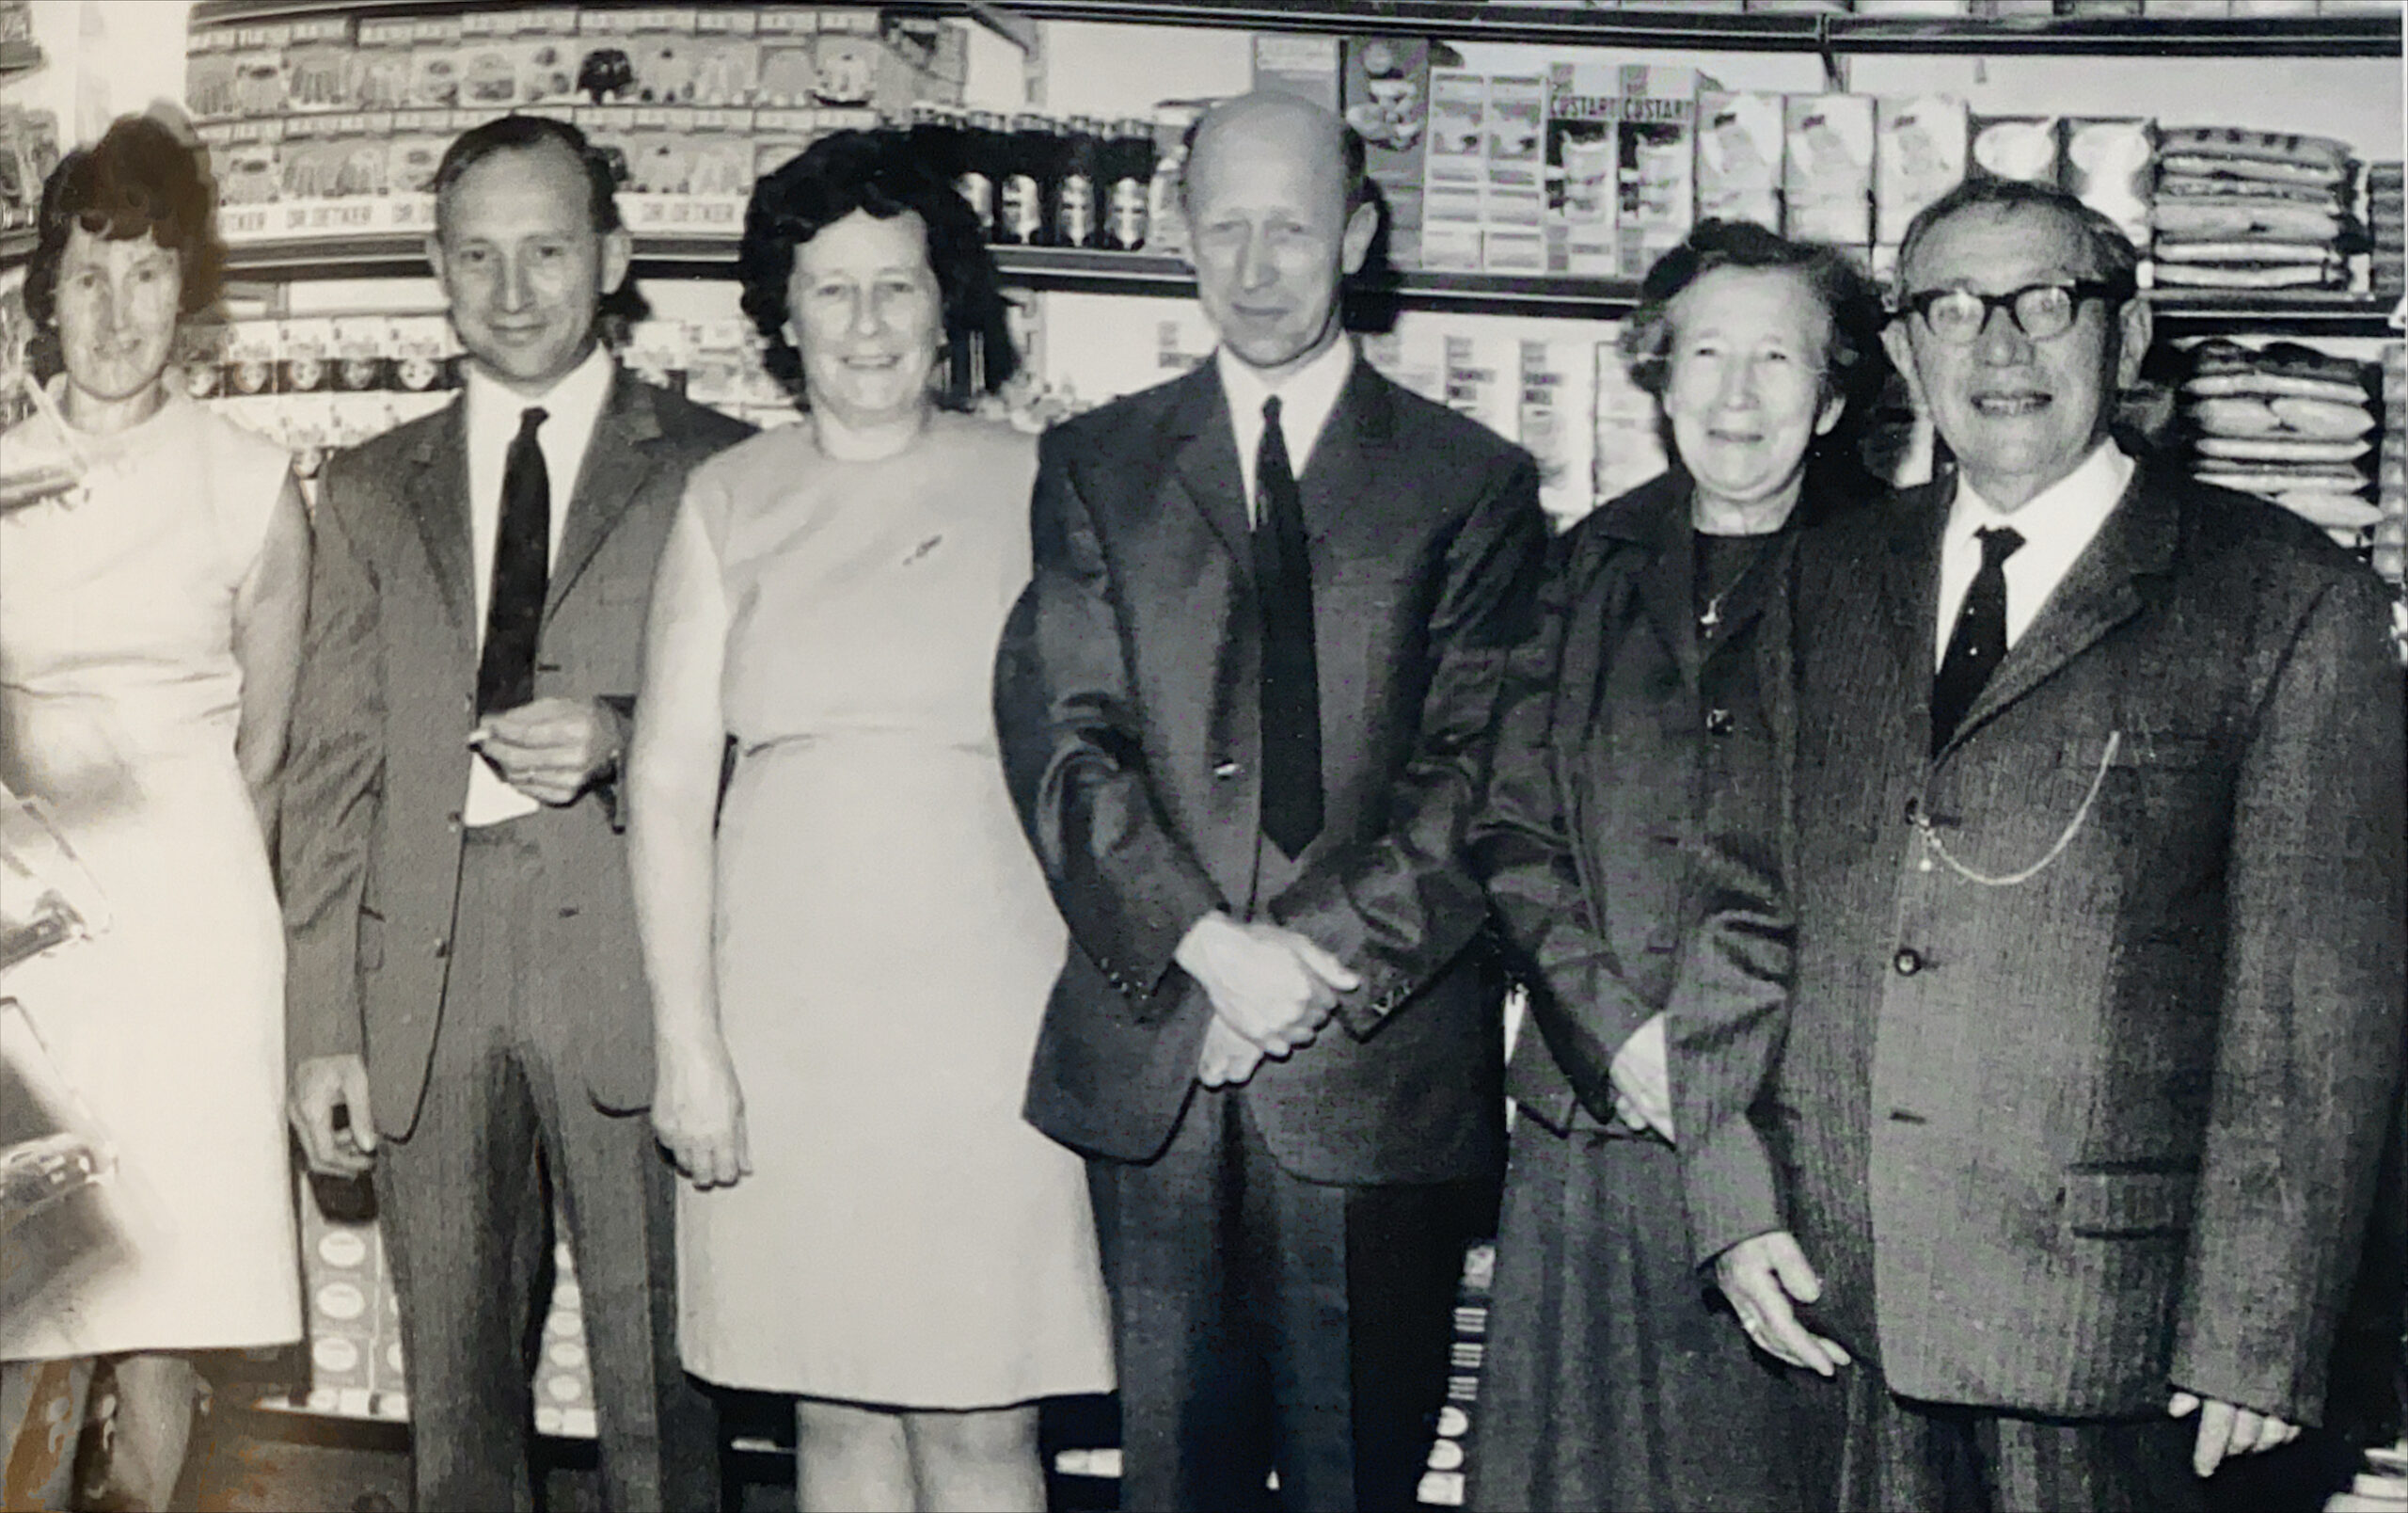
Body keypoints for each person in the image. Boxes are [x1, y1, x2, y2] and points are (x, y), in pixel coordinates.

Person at [1716, 175, 2406, 1511]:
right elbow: (1742, 907)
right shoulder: (1824, 580)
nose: (2000, 349)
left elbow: (2319, 1004)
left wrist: (2257, 1332)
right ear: (1907, 352)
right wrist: (1734, 1201)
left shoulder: (2285, 596)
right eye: (1954, 310)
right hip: (1849, 1301)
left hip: (2119, 1331)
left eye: (2047, 302)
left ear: (2129, 337)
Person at [993, 92, 1547, 1513]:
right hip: (1157, 1069)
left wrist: (1298, 964)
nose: (1256, 266)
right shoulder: (1096, 464)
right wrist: (1206, 947)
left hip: (1371, 1075)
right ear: (1180, 236)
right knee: (1171, 1481)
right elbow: (1064, 735)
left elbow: (1477, 764)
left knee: (1362, 1480)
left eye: (1291, 228)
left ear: (1357, 236)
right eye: (1225, 227)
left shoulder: (1471, 482)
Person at [628, 129, 1113, 1513]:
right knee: (833, 1414)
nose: (867, 325)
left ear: (946, 300)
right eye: (831, 291)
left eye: (897, 286)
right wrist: (689, 1046)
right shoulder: (730, 499)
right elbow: (665, 786)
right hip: (790, 1032)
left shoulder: (1046, 485)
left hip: (991, 1032)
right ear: (783, 314)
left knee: (979, 1420)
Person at [280, 115, 751, 1512]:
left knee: (665, 1391)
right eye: (476, 255)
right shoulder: (367, 488)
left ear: (612, 255)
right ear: (434, 265)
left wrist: (617, 737)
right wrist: (322, 1030)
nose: (513, 289)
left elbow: (766, 730)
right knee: (459, 1410)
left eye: (548, 249)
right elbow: (328, 770)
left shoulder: (714, 467)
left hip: (632, 955)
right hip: (425, 970)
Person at [1465, 220, 1886, 1513]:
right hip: (1595, 1121)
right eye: (1704, 351)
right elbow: (1510, 826)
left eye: (1778, 356)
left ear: (1834, 395)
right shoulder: (1586, 562)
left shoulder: (1898, 571)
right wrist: (1616, 1027)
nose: (1736, 393)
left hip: (1796, 1140)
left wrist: (1706, 1067)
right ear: (1654, 372)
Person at [0, 113, 309, 1513]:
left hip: (188, 927)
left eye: (145, 273)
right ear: (42, 293)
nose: (115, 311)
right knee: (28, 1300)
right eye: (85, 273)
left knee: (167, 1303)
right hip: (23, 936)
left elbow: (264, 750)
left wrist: (163, 887)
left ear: (186, 290)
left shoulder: (252, 481)